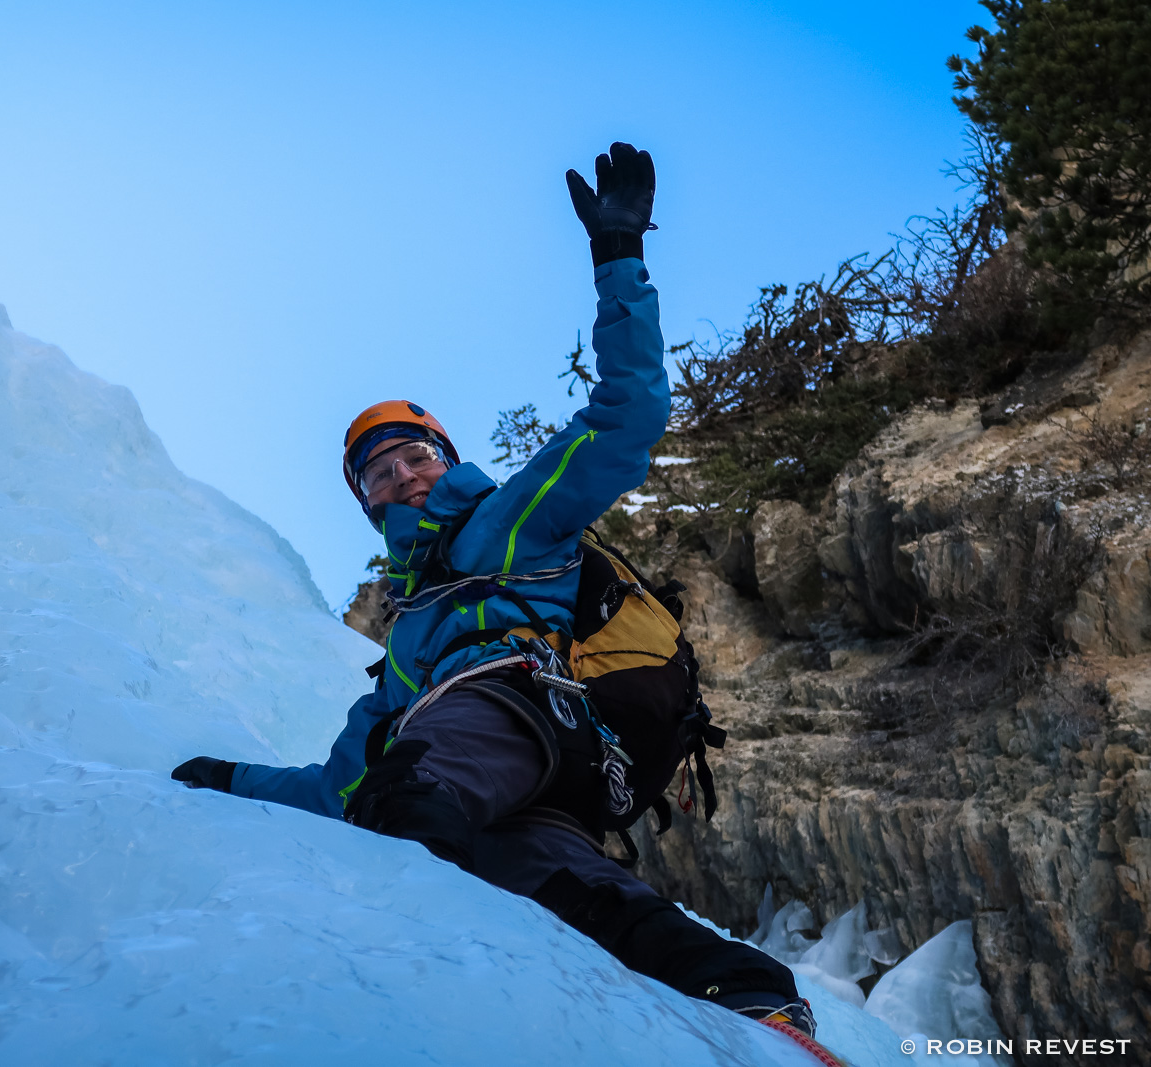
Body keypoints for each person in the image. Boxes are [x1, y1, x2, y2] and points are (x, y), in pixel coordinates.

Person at [172, 142, 821, 1046]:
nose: (403, 474)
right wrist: (230, 780)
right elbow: (334, 784)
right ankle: (756, 1000)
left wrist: (619, 258)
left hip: (527, 707)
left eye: (416, 455)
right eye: (379, 471)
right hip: (543, 776)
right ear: (364, 502)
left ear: (445, 458)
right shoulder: (404, 647)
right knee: (556, 884)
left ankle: (424, 1028)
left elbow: (625, 416)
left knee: (412, 798)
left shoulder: (508, 521)